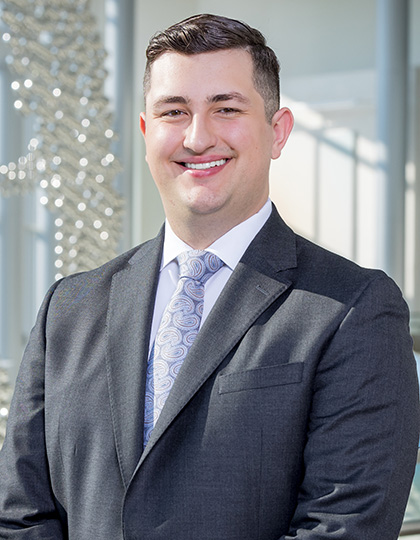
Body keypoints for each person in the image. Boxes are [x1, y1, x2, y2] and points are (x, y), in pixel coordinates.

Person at [0, 13, 418, 540]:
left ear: (277, 131)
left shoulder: (352, 308)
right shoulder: (69, 307)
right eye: (174, 111)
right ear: (147, 132)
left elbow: (343, 526)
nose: (198, 137)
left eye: (226, 108)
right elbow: (19, 515)